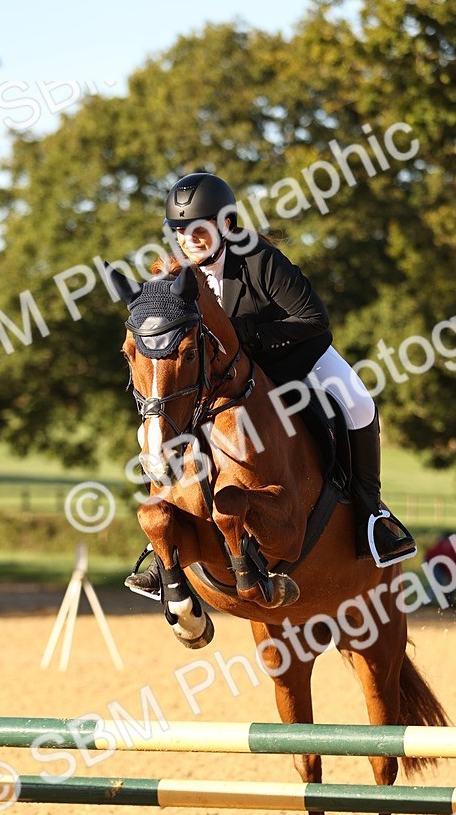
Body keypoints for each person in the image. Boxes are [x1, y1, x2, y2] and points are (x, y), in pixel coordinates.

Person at [125, 171, 416, 597]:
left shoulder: (259, 259)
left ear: (225, 225)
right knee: (169, 422)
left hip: (296, 354)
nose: (190, 239)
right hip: (229, 375)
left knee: (359, 404)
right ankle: (164, 546)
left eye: (199, 229)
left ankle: (371, 517)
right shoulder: (175, 278)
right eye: (180, 230)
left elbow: (314, 321)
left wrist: (242, 333)